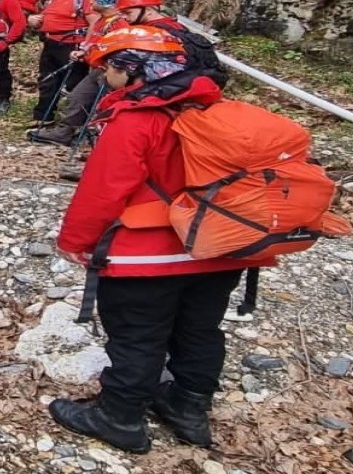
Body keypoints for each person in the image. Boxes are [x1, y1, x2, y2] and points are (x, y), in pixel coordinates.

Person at [47, 26, 272, 454]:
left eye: (109, 67)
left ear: (132, 71)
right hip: (219, 246)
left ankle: (120, 417)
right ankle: (188, 409)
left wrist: (77, 241)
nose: (104, 75)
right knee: (201, 331)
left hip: (147, 255)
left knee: (137, 335)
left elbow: (104, 190)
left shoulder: (138, 120)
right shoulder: (218, 111)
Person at [29, 0, 127, 146]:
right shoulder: (101, 20)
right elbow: (95, 42)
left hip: (110, 71)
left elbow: (120, 47)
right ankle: (64, 132)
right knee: (77, 97)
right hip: (96, 68)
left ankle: (101, 137)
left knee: (105, 103)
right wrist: (84, 52)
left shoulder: (119, 23)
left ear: (108, 3)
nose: (92, 1)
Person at [23, 0, 99, 124]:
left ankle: (76, 121)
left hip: (72, 46)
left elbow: (95, 23)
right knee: (47, 80)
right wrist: (34, 22)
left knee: (74, 83)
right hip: (51, 43)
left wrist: (86, 46)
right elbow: (45, 19)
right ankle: (43, 116)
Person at [112, 0, 229, 88]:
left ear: (148, 11)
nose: (123, 17)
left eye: (128, 13)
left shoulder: (151, 33)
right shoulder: (176, 26)